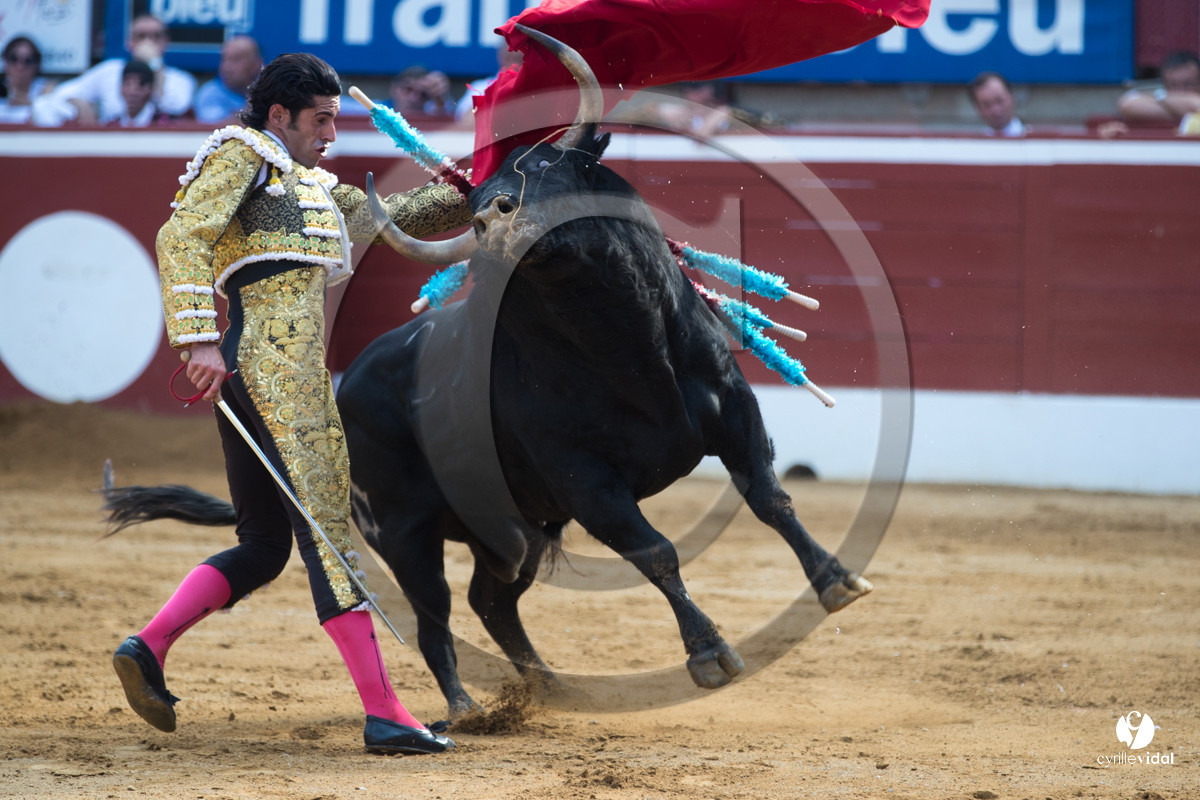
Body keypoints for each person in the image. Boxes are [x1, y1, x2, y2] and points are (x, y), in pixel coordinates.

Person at [113, 52, 471, 755]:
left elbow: (384, 218)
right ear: (278, 113)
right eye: (321, 118)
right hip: (279, 377)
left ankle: (148, 646)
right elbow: (181, 233)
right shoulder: (244, 154)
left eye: (335, 118)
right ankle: (387, 713)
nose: (332, 133)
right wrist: (197, 338)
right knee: (329, 536)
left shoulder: (302, 180)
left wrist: (474, 184)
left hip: (256, 377)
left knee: (264, 544)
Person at [32, 14, 195, 126]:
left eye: (156, 36)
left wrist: (154, 64)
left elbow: (175, 107)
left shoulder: (180, 79)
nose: (148, 43)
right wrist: (78, 102)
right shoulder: (110, 70)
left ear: (166, 41)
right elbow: (62, 94)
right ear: (130, 41)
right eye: (141, 36)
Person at [1116, 51, 1200, 129]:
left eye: (1188, 84)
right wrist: (1183, 110)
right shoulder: (1161, 97)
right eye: (1172, 85)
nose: (1180, 91)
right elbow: (1128, 105)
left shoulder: (1160, 100)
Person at [194, 35, 263, 124]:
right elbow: (215, 126)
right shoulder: (209, 93)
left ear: (256, 64)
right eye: (224, 59)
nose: (227, 67)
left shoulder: (272, 91)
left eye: (236, 59)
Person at [454, 39, 522, 123]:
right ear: (500, 56)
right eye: (509, 58)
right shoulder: (479, 87)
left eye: (519, 60)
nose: (513, 65)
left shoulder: (536, 90)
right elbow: (465, 120)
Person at [0, 35, 55, 124]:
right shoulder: (2, 89)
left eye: (28, 61)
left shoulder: (46, 89)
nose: (20, 67)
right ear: (5, 61)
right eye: (14, 59)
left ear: (36, 65)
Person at [968, 71, 1026, 137]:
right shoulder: (975, 144)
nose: (995, 110)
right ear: (978, 108)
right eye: (987, 105)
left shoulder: (1035, 141)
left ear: (1012, 97)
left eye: (999, 101)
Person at [388, 65, 456, 118]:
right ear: (393, 88)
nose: (414, 98)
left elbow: (443, 112)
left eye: (423, 94)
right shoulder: (378, 109)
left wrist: (440, 98)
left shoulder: (431, 115)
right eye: (408, 89)